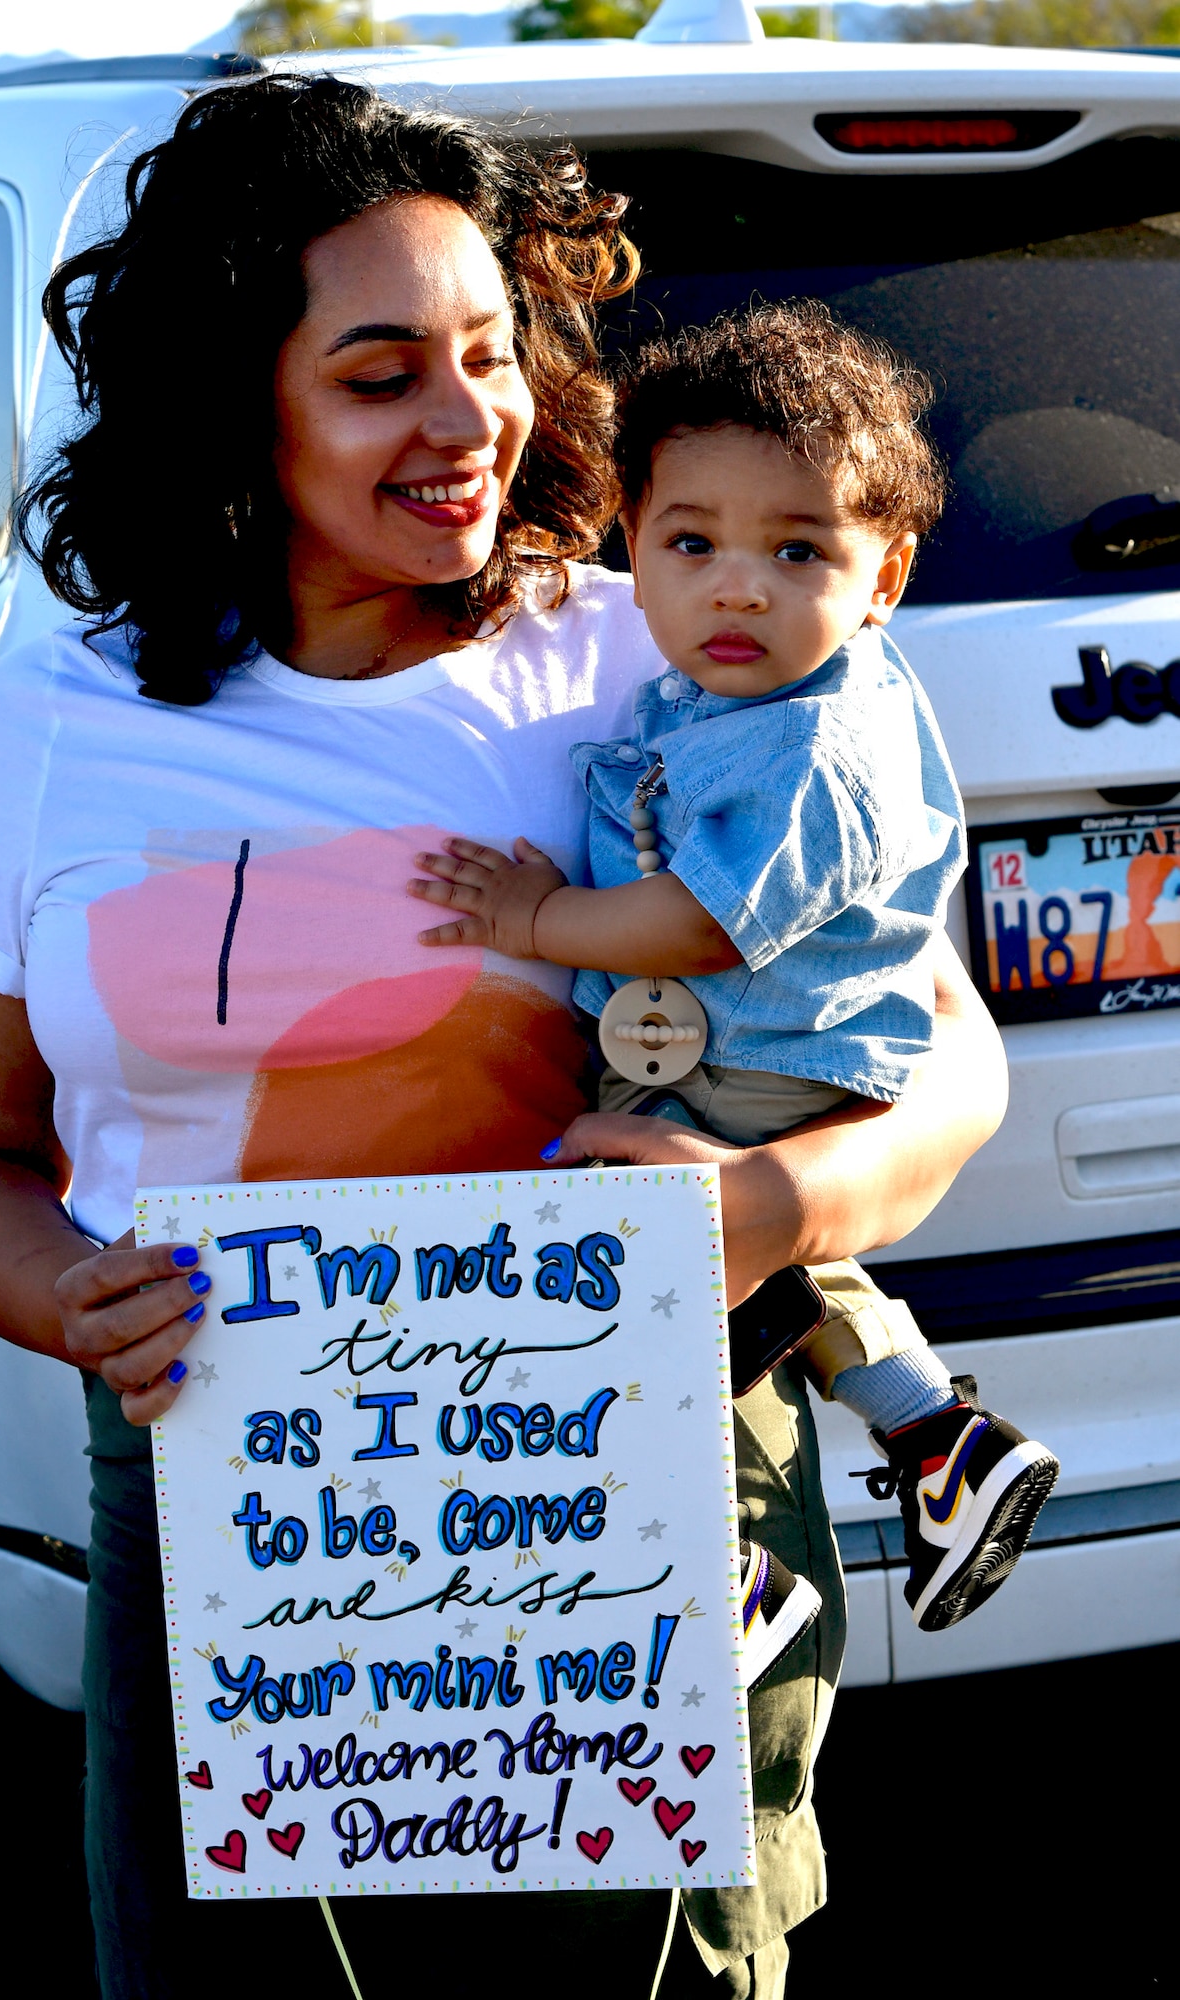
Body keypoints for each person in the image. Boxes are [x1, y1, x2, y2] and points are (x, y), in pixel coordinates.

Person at [0, 75, 1008, 2000]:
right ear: (239, 398)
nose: (468, 417)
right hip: (235, 1490)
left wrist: (773, 1204)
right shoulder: (50, 726)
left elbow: (944, 1054)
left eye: (488, 352)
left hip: (645, 1498)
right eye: (380, 368)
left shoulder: (667, 647)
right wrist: (67, 1290)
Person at [410, 303, 1059, 1643]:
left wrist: (534, 921)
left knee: (599, 1287)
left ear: (883, 579)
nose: (738, 585)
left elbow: (704, 926)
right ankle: (940, 1441)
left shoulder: (816, 743)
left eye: (798, 549)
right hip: (735, 1055)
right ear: (627, 553)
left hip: (752, 1055)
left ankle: (710, 1572)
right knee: (752, 1274)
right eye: (689, 542)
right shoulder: (723, 698)